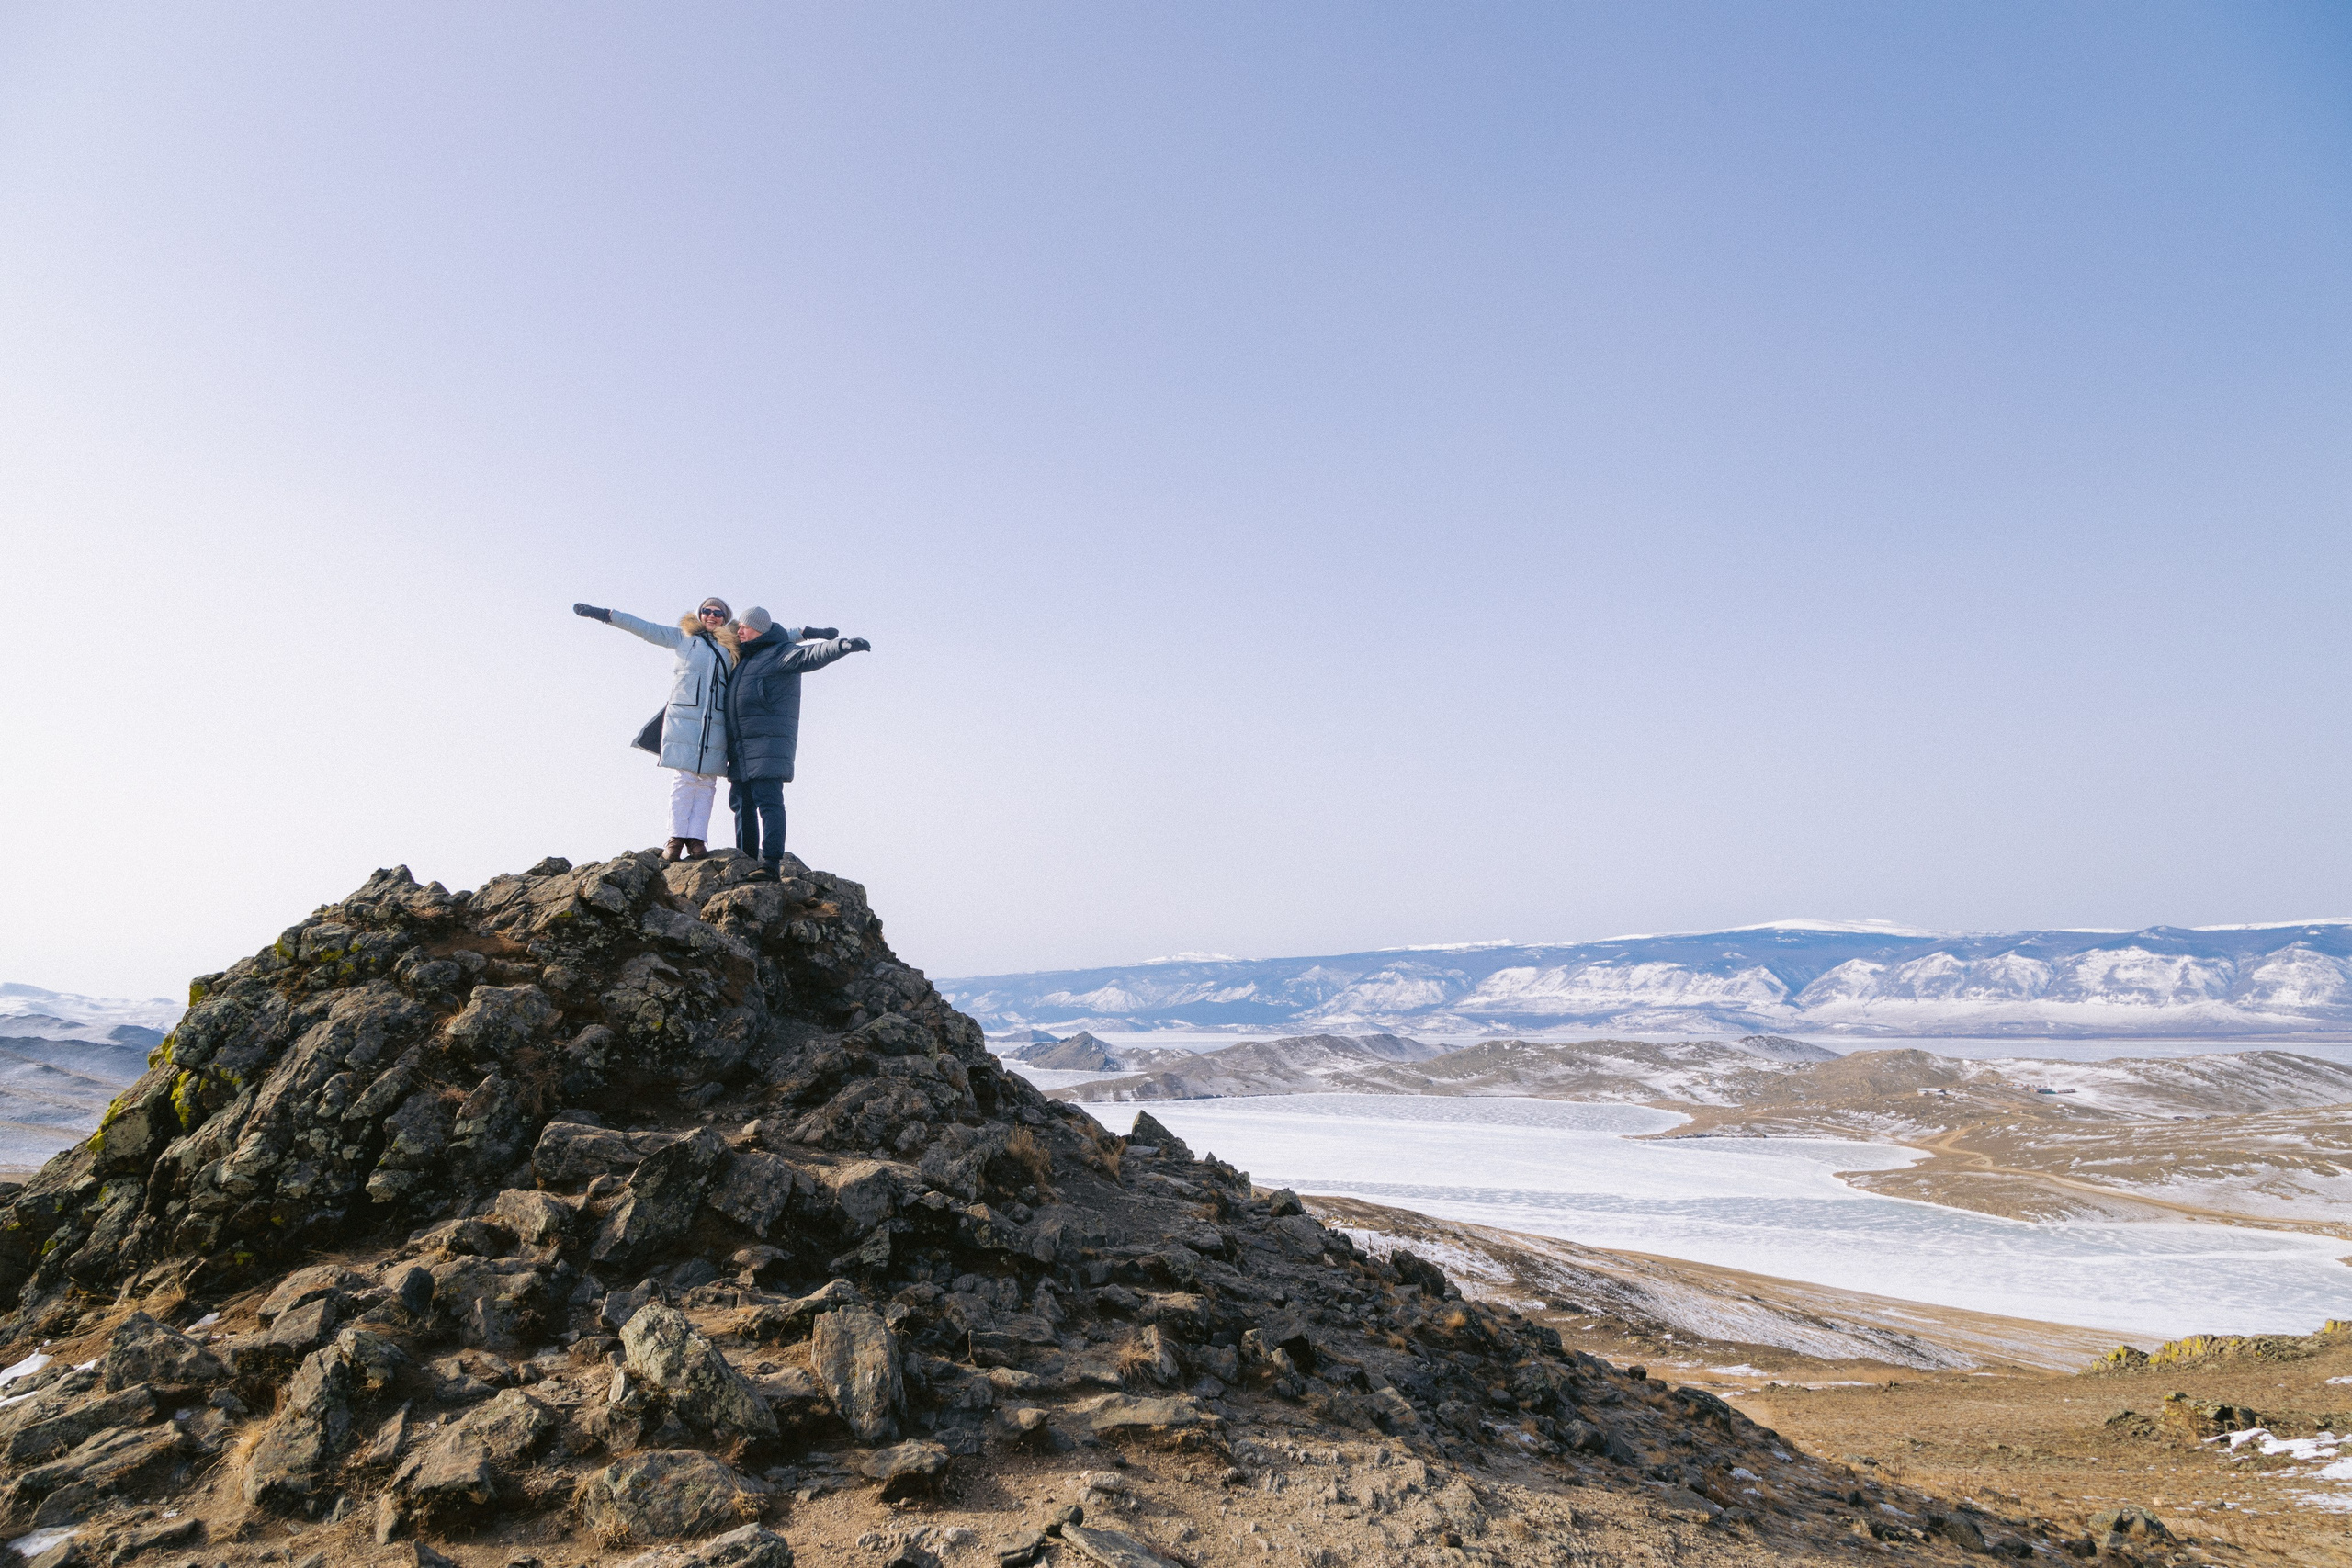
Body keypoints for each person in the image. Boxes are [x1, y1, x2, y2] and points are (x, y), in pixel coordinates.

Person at [572, 595, 740, 861]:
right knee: (685, 779)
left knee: (707, 782)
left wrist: (804, 634)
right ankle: (675, 838)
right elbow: (645, 628)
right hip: (684, 717)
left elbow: (766, 635)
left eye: (718, 613)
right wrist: (605, 614)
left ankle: (696, 839)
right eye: (707, 611)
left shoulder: (732, 645)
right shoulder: (683, 637)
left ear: (725, 618)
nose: (712, 616)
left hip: (716, 722)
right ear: (700, 614)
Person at [725, 606, 870, 880]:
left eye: (744, 626)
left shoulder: (780, 653)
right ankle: (745, 859)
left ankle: (770, 864)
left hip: (768, 746)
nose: (739, 631)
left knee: (768, 802)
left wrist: (842, 646)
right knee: (741, 803)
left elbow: (811, 655)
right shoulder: (742, 659)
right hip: (741, 748)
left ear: (760, 629)